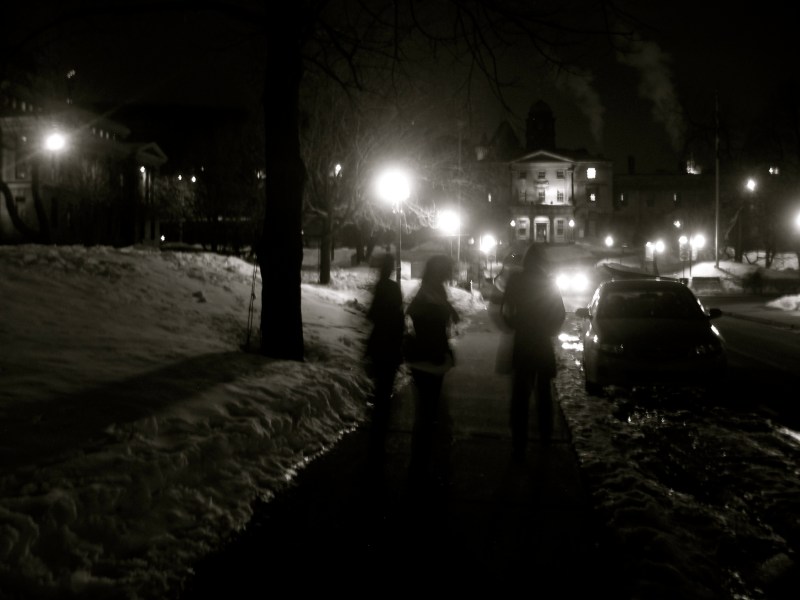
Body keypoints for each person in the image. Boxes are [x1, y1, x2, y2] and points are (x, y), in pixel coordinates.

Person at [500, 244, 566, 460]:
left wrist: (515, 324)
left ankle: (519, 443)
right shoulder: (549, 283)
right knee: (544, 392)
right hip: (541, 342)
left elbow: (505, 310)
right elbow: (560, 314)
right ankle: (545, 437)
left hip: (523, 340)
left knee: (520, 393)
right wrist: (548, 329)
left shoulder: (516, 281)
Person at [404, 254, 460, 484]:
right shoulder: (430, 293)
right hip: (429, 358)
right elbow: (416, 315)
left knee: (428, 407)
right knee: (428, 408)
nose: (449, 275)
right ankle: (422, 458)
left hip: (428, 357)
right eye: (447, 271)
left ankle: (423, 454)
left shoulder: (433, 291)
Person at [363, 253, 405, 467]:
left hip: (380, 340)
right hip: (391, 342)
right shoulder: (393, 288)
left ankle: (378, 418)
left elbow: (372, 315)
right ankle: (382, 416)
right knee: (386, 381)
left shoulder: (380, 287)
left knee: (381, 381)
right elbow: (399, 314)